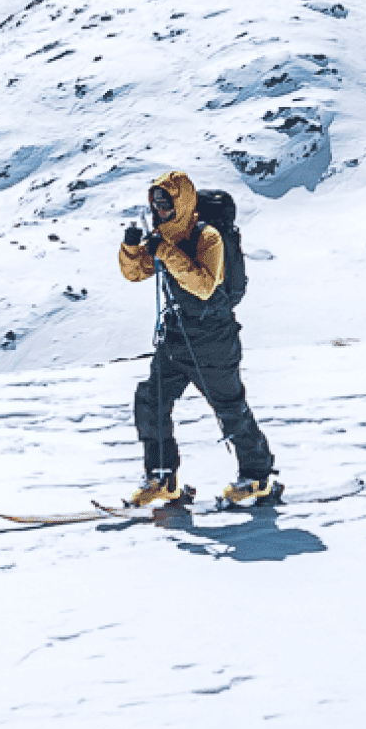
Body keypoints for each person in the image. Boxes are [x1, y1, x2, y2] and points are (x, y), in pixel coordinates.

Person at [117, 170, 278, 509]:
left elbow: (204, 285)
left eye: (166, 203)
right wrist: (131, 248)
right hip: (176, 338)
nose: (160, 210)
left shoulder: (208, 237)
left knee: (230, 408)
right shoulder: (163, 237)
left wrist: (166, 252)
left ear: (182, 202)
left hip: (213, 340)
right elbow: (135, 273)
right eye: (156, 204)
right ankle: (162, 478)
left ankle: (258, 476)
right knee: (151, 400)